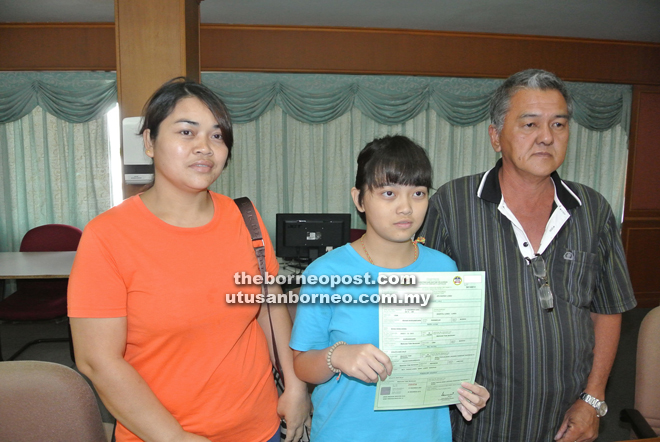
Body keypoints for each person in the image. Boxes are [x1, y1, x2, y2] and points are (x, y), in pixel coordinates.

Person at [68, 77, 311, 442]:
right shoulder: (107, 236)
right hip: (161, 434)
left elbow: (269, 306)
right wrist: (175, 438)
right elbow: (98, 361)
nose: (205, 148)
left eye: (217, 136)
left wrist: (295, 387)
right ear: (149, 142)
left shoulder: (245, 217)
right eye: (186, 132)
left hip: (259, 427)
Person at [421, 69, 637, 442]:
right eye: (529, 124)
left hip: (568, 418)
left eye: (558, 124)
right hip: (480, 418)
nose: (546, 137)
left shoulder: (594, 210)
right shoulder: (452, 205)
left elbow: (608, 308)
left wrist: (593, 398)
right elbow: (426, 310)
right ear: (495, 137)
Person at [290, 135, 490, 441]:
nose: (406, 208)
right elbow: (303, 365)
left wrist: (463, 390)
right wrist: (336, 356)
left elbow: (440, 360)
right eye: (388, 193)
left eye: (418, 193)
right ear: (359, 199)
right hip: (345, 433)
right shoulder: (327, 272)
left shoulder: (444, 269)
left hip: (427, 434)